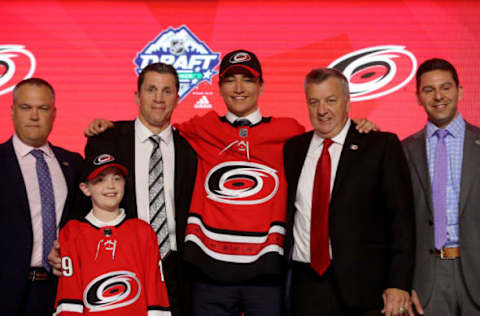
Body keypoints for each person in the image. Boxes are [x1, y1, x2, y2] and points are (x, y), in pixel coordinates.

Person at [82, 50, 377, 315]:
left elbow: (328, 136)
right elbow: (156, 126)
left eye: (247, 80)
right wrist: (108, 127)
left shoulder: (291, 133)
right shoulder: (200, 128)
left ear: (260, 86)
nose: (239, 88)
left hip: (266, 276)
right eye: (230, 80)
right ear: (219, 87)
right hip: (208, 275)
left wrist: (359, 129)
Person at [50, 63, 197, 316]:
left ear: (177, 96)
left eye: (167, 91)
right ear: (137, 96)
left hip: (178, 270)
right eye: (151, 89)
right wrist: (64, 245)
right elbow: (83, 199)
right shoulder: (107, 137)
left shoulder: (191, 148)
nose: (159, 98)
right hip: (120, 263)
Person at [283, 68, 415, 316]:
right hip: (305, 286)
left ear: (347, 101)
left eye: (331, 100)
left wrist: (399, 283)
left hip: (364, 289)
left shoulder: (379, 145)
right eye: (314, 101)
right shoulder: (293, 149)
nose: (322, 110)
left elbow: (401, 221)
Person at [402, 58, 480, 316]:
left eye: (445, 87)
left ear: (460, 91)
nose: (438, 97)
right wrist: (403, 284)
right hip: (427, 281)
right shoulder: (403, 150)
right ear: (418, 97)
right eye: (429, 90)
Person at [0, 78, 83, 316]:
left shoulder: (74, 164)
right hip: (6, 293)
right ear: (13, 111)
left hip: (61, 291)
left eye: (43, 108)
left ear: (54, 113)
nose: (34, 116)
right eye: (26, 108)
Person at [53, 153, 171, 315]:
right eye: (100, 180)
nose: (111, 186)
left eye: (116, 178)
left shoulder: (142, 231)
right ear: (85, 188)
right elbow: (69, 293)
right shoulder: (72, 232)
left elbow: (155, 289)